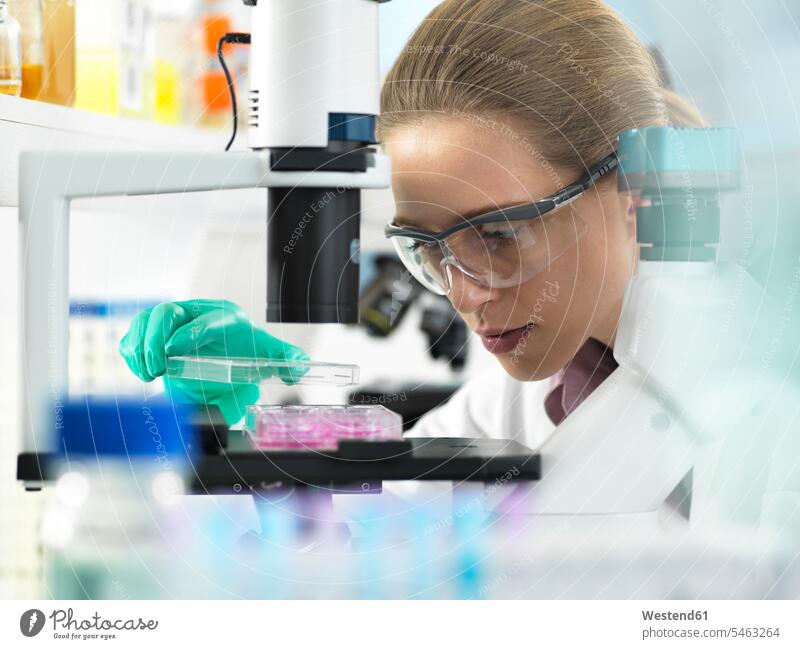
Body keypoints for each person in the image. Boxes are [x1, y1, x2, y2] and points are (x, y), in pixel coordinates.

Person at [119, 0, 703, 451]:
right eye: (426, 248)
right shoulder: (505, 409)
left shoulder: (760, 397)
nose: (464, 294)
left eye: (500, 234)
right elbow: (358, 541)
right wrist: (219, 423)